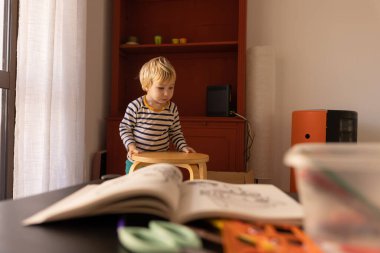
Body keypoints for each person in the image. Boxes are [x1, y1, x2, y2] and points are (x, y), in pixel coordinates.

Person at [119, 56, 196, 174]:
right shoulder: (136, 106)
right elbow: (125, 128)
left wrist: (182, 146)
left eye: (171, 87)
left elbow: (175, 132)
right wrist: (131, 147)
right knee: (137, 190)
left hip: (161, 162)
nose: (166, 93)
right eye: (161, 88)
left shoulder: (172, 109)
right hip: (137, 160)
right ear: (146, 86)